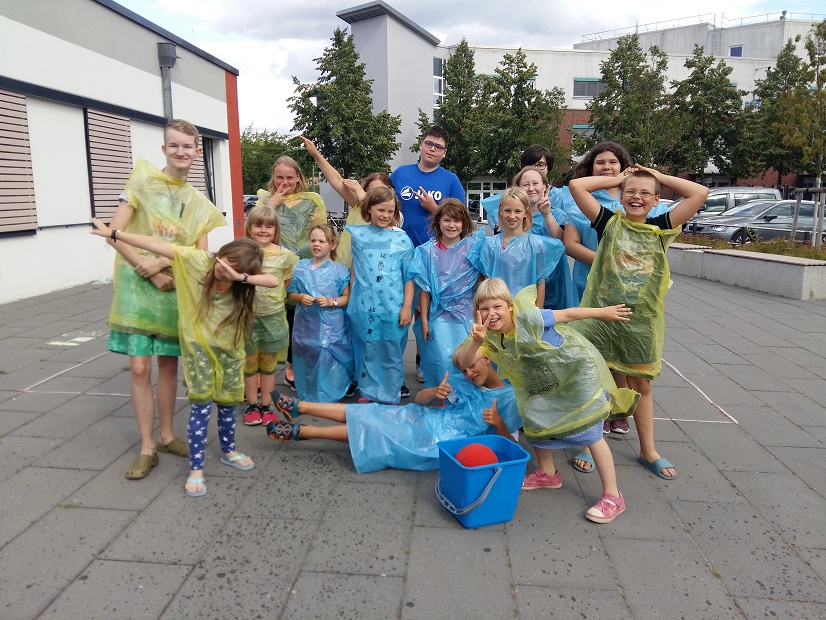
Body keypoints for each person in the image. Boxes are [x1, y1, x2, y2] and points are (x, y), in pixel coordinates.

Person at [90, 219, 281, 497]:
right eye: (224, 261)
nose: (223, 269)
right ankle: (196, 469)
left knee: (228, 405)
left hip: (230, 351)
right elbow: (158, 245)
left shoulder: (242, 279)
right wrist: (116, 233)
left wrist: (241, 277)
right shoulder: (198, 261)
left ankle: (229, 451)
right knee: (201, 407)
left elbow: (273, 281)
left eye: (233, 268)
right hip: (199, 351)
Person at [458, 279, 639, 523]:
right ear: (477, 312)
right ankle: (548, 473)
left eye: (497, 306)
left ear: (509, 306)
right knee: (534, 415)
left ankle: (613, 495)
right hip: (545, 380)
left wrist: (603, 313)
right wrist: (476, 342)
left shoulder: (529, 318)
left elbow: (568, 314)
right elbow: (464, 361)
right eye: (484, 309)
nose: (492, 313)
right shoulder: (488, 337)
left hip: (575, 372)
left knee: (590, 431)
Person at [569, 165, 709, 481]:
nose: (637, 197)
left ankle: (648, 450)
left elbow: (699, 193)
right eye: (630, 192)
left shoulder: (662, 226)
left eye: (646, 193)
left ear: (656, 200)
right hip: (601, 316)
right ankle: (590, 444)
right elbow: (577, 186)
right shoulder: (608, 222)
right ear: (620, 197)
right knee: (595, 380)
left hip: (640, 322)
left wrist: (654, 175)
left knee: (641, 385)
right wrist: (621, 179)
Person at [105, 119, 226, 480]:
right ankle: (147, 448)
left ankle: (167, 435)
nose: (180, 152)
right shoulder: (141, 181)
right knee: (140, 368)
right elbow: (113, 233)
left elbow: (199, 254)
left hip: (173, 288)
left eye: (187, 146)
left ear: (197, 151)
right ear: (164, 148)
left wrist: (162, 263)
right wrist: (147, 267)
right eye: (174, 145)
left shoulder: (198, 203)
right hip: (136, 286)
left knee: (170, 366)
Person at [265, 348, 521, 474]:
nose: (468, 374)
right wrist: (433, 392)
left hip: (439, 442)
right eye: (464, 370)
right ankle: (299, 407)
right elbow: (419, 400)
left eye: (472, 366)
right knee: (372, 413)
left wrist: (499, 424)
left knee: (375, 429)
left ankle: (302, 431)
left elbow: (512, 448)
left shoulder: (508, 398)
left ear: (487, 358)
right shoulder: (463, 381)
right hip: (424, 418)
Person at [256, 155, 326, 391]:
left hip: (304, 267)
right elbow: (255, 228)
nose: (284, 182)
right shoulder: (264, 199)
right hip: (272, 268)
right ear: (273, 178)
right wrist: (272, 205)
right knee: (271, 319)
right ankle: (262, 369)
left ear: (298, 177)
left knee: (300, 319)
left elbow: (319, 232)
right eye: (279, 177)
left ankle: (293, 366)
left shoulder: (313, 200)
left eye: (289, 177)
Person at [346, 187, 414, 404]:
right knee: (368, 348)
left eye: (390, 211)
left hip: (393, 307)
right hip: (365, 306)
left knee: (391, 351)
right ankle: (369, 392)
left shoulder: (402, 239)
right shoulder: (358, 236)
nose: (385, 215)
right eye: (380, 210)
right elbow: (355, 269)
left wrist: (407, 307)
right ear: (369, 209)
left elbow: (409, 276)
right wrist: (352, 298)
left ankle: (391, 393)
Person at [409, 198, 484, 387]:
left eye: (456, 220)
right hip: (438, 315)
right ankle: (446, 395)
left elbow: (481, 283)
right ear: (438, 222)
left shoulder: (474, 248)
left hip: (467, 315)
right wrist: (424, 321)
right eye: (447, 220)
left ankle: (465, 396)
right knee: (442, 358)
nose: (452, 225)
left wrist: (480, 316)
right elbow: (425, 289)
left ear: (464, 223)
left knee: (467, 357)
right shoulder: (427, 252)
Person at [298, 135, 396, 267]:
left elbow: (377, 213)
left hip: (368, 271)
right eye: (370, 192)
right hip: (343, 267)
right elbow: (337, 181)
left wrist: (359, 190)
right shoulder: (359, 205)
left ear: (391, 191)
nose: (375, 196)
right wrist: (316, 154)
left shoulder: (393, 215)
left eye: (380, 191)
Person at [241, 206, 299, 426]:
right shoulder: (242, 251)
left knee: (268, 361)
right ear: (249, 227)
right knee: (249, 361)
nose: (264, 230)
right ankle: (251, 404)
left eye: (269, 226)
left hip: (273, 317)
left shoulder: (285, 256)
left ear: (276, 229)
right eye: (258, 225)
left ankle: (266, 404)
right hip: (247, 316)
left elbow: (286, 281)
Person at [287, 224, 353, 402]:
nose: (316, 244)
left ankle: (330, 392)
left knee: (328, 356)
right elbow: (291, 295)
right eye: (313, 240)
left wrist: (331, 302)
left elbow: (346, 297)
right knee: (308, 354)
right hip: (306, 324)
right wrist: (301, 297)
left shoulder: (340, 270)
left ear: (332, 245)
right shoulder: (301, 268)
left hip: (332, 325)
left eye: (321, 241)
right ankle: (311, 391)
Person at [469, 187, 564, 308]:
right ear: (500, 211)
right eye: (507, 210)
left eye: (518, 211)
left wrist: (538, 312)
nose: (512, 216)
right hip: (498, 310)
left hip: (526, 310)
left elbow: (540, 281)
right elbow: (487, 280)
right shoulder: (490, 245)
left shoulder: (536, 245)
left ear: (526, 212)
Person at [513, 165, 577, 311]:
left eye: (535, 183)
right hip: (524, 280)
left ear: (545, 187)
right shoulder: (513, 217)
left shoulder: (557, 214)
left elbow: (562, 243)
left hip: (556, 279)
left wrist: (546, 214)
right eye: (525, 184)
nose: (531, 188)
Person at [390, 125, 465, 248]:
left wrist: (434, 208)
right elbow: (379, 202)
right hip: (399, 248)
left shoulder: (452, 180)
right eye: (429, 144)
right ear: (421, 145)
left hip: (435, 251)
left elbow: (460, 220)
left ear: (444, 153)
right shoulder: (400, 173)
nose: (432, 149)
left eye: (438, 147)